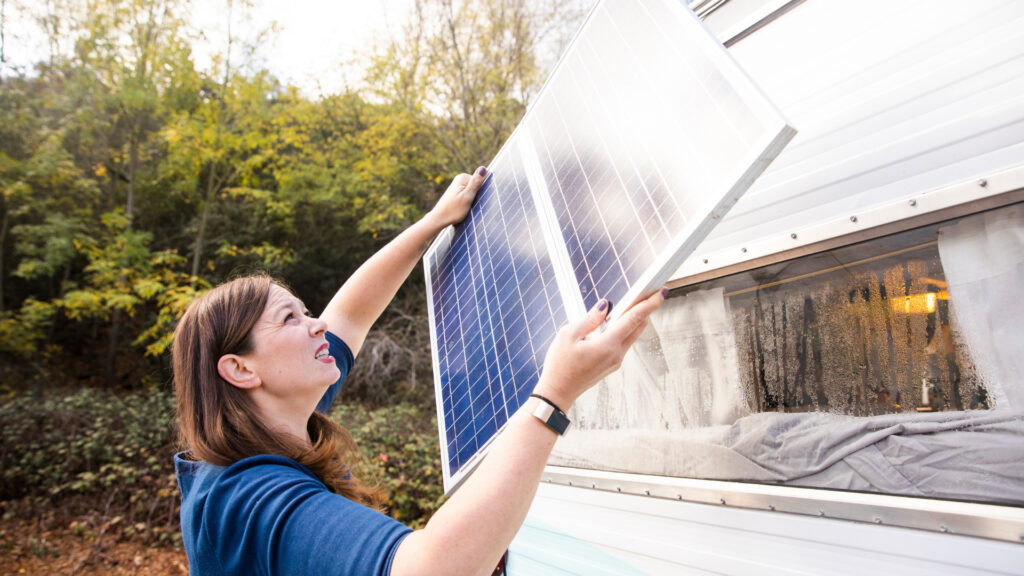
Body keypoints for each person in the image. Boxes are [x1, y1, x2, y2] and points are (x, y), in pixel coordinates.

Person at [172, 166, 666, 575]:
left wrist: (434, 222)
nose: (317, 325)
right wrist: (554, 396)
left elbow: (351, 313)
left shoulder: (272, 420)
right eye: (290, 319)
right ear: (240, 370)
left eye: (305, 311)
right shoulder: (252, 499)